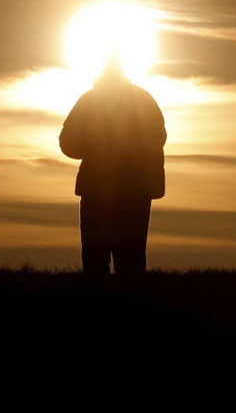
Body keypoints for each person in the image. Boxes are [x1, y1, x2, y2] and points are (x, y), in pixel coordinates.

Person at [59, 59, 166, 275]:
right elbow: (158, 137)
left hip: (109, 191)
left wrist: (96, 146)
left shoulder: (88, 101)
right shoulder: (143, 100)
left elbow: (67, 141)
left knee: (102, 260)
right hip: (128, 191)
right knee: (125, 260)